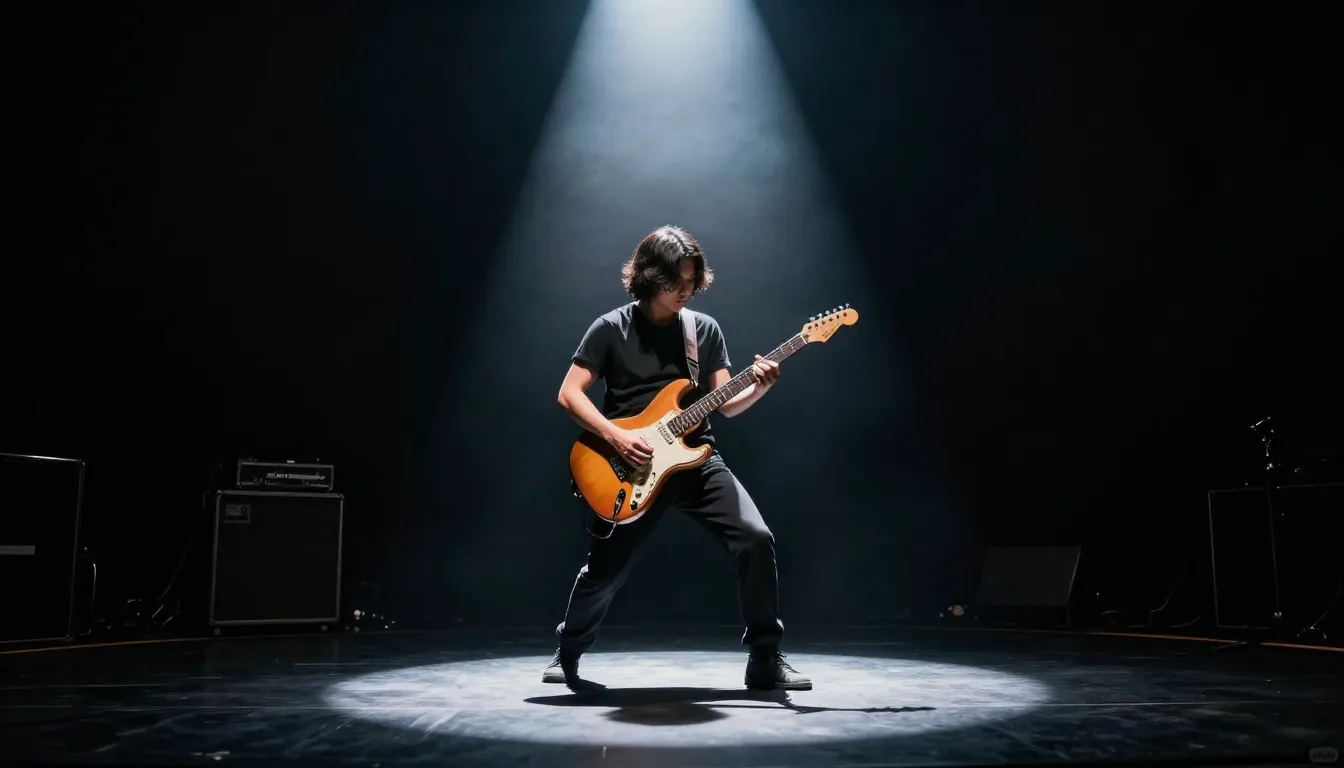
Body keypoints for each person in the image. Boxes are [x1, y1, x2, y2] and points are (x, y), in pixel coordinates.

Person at [544, 224, 811, 691]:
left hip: (694, 462)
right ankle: (567, 653)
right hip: (630, 466)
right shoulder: (610, 328)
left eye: (691, 281)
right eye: (675, 281)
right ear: (649, 277)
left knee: (755, 538)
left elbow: (726, 403)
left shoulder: (702, 330)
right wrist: (615, 436)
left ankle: (765, 658)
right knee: (604, 572)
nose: (685, 291)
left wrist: (760, 387)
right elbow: (569, 394)